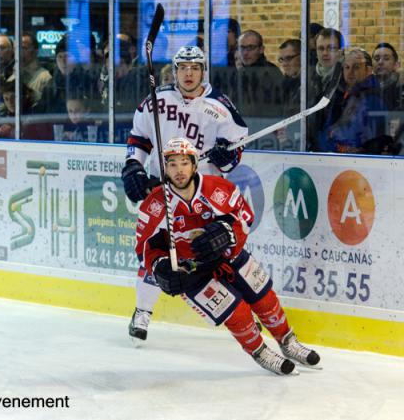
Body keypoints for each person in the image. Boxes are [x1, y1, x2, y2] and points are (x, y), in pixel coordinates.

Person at [136, 136, 321, 375]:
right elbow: (144, 247)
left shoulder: (218, 188)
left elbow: (245, 217)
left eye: (184, 162)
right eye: (172, 164)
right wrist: (160, 267)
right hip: (192, 272)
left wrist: (226, 233)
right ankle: (260, 352)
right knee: (237, 312)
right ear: (165, 169)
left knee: (263, 297)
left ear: (194, 164)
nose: (179, 170)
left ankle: (287, 340)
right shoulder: (155, 205)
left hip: (228, 256)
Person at [122, 45, 248, 343]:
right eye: (182, 68)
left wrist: (225, 155)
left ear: (204, 70)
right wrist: (133, 167)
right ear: (175, 70)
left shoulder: (220, 105)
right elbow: (138, 139)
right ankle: (143, 311)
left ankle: (241, 311)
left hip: (203, 193)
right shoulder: (157, 99)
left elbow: (235, 152)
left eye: (195, 68)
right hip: (163, 189)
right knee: (157, 251)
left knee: (215, 249)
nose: (188, 73)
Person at [321, 48, 393, 154]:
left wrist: (333, 137)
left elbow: (356, 139)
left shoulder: (373, 97)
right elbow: (325, 130)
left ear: (368, 70)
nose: (350, 72)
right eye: (347, 67)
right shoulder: (341, 95)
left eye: (356, 67)